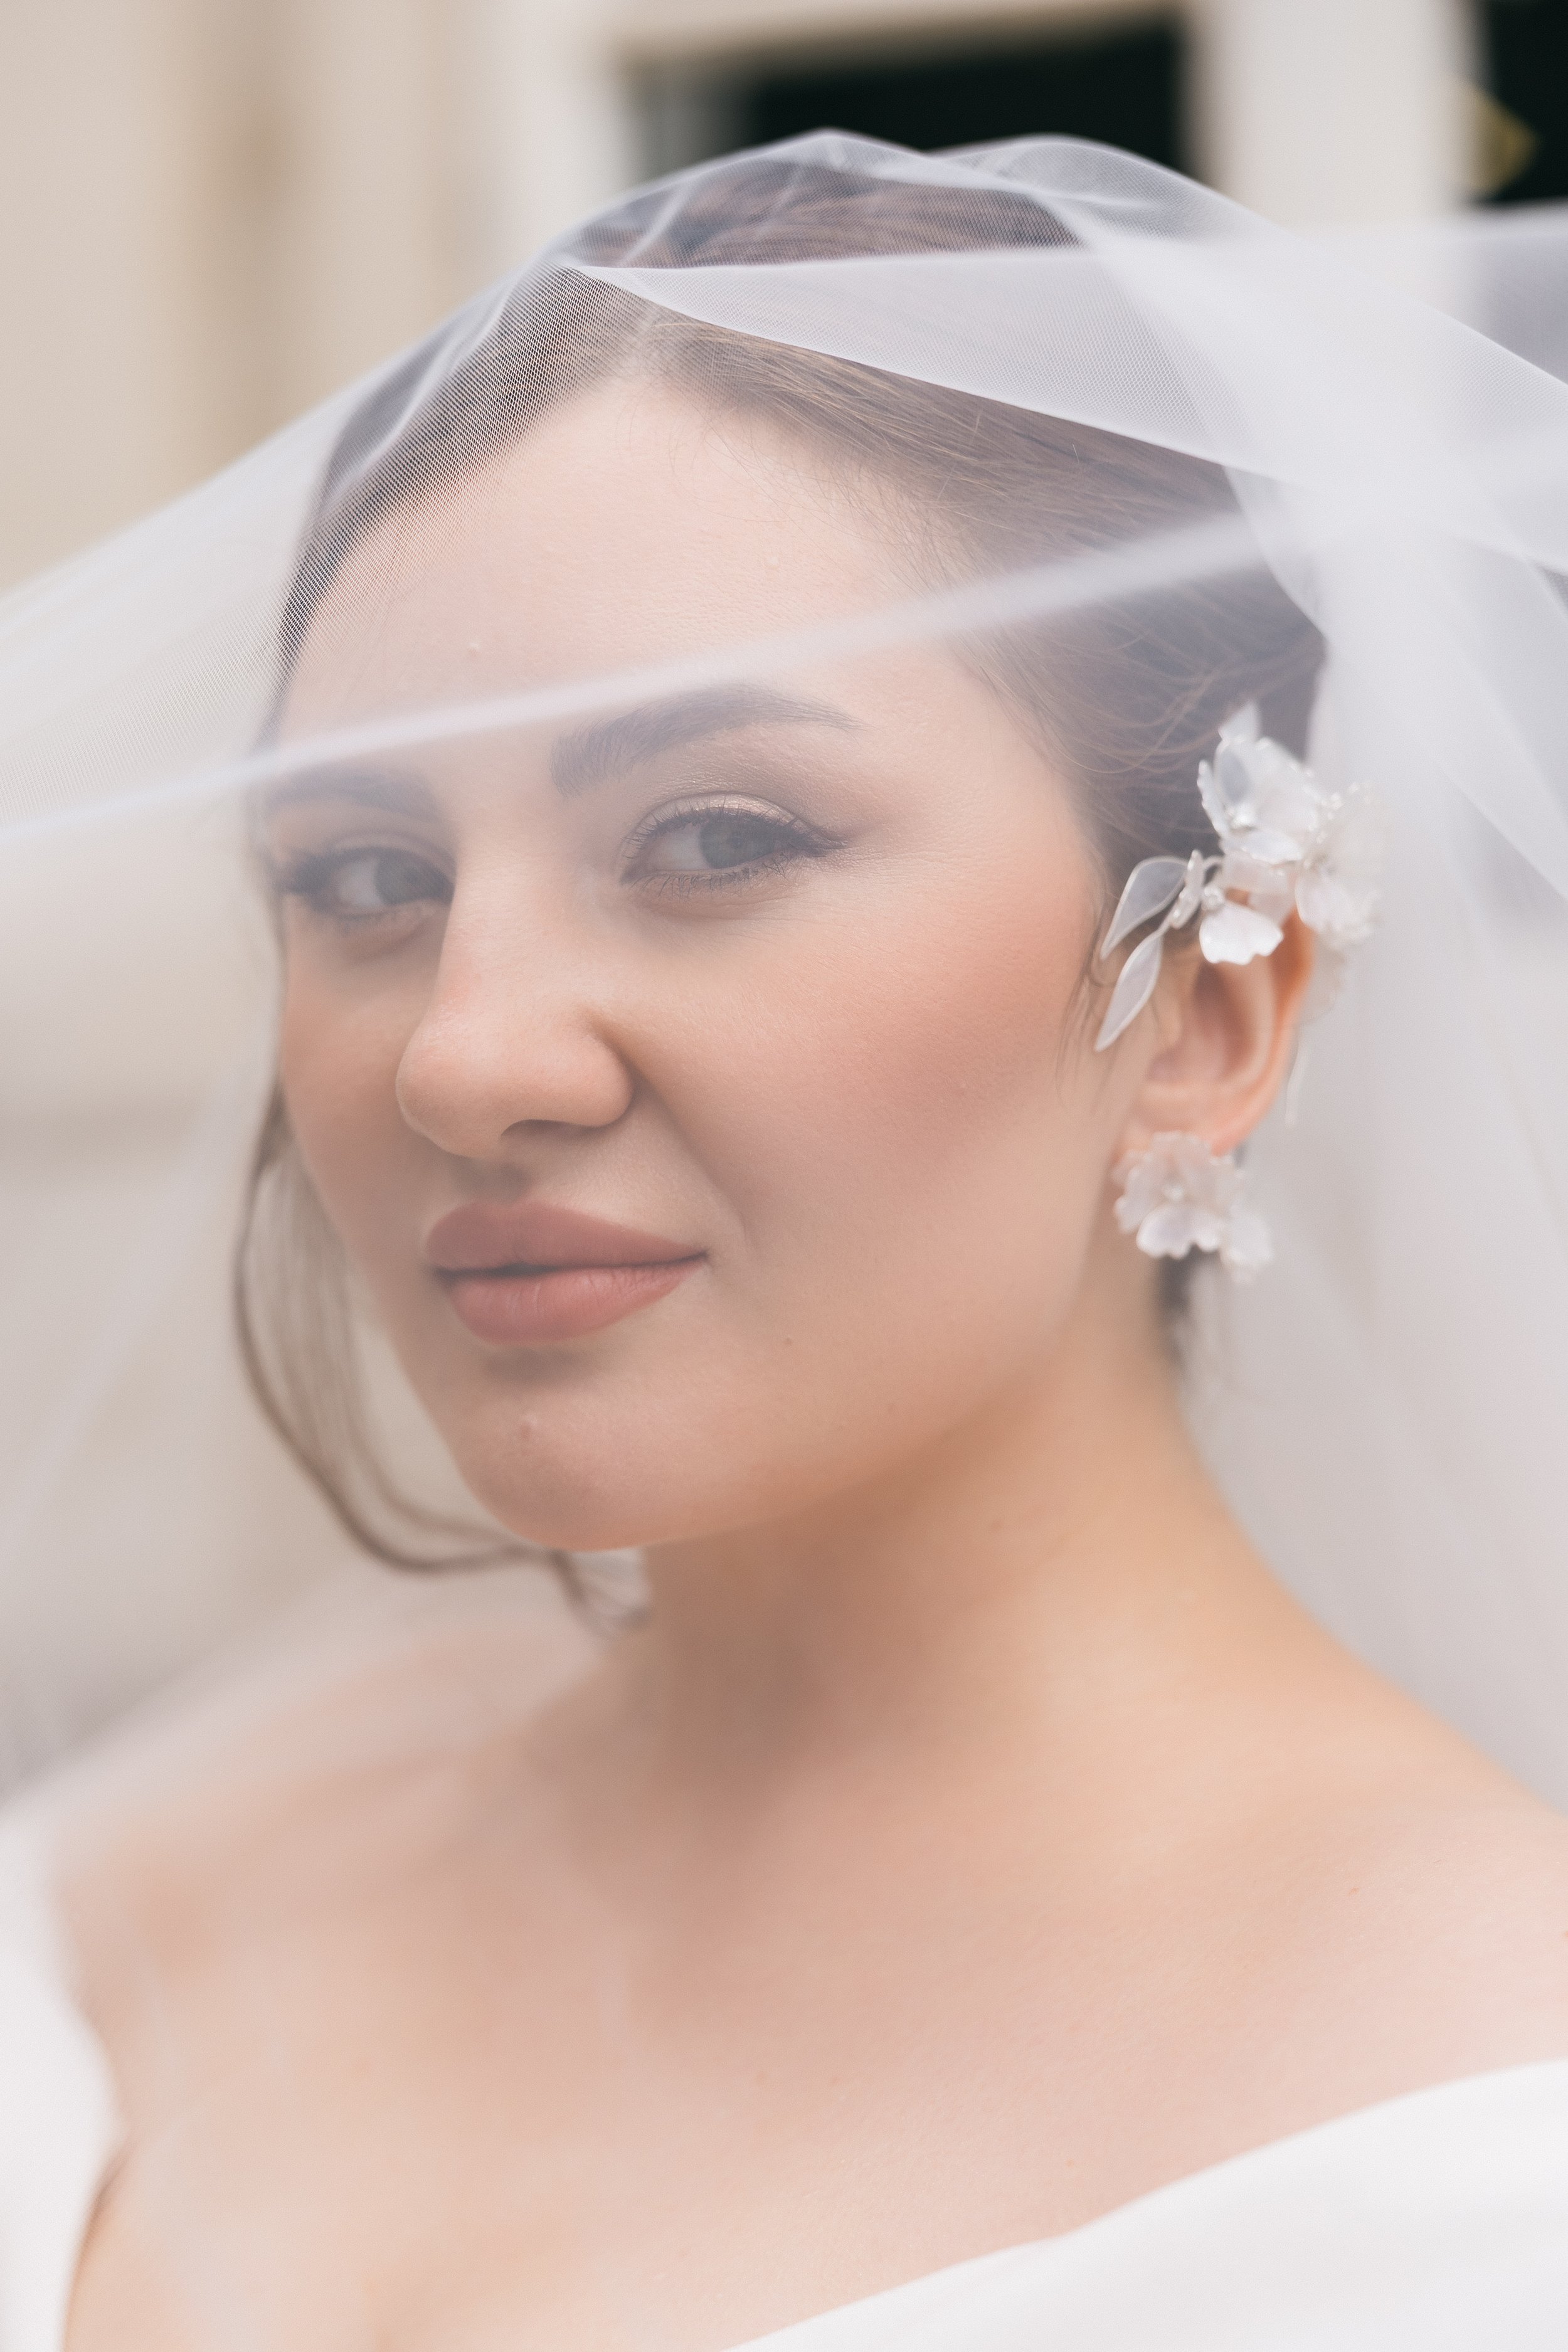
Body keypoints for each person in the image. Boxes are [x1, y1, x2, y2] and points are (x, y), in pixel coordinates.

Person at [3, 134, 1568, 2350]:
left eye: (715, 838)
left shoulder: (1483, 2137)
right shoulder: (166, 1859)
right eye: (361, 877)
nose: (465, 1057)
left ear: (1209, 1011)